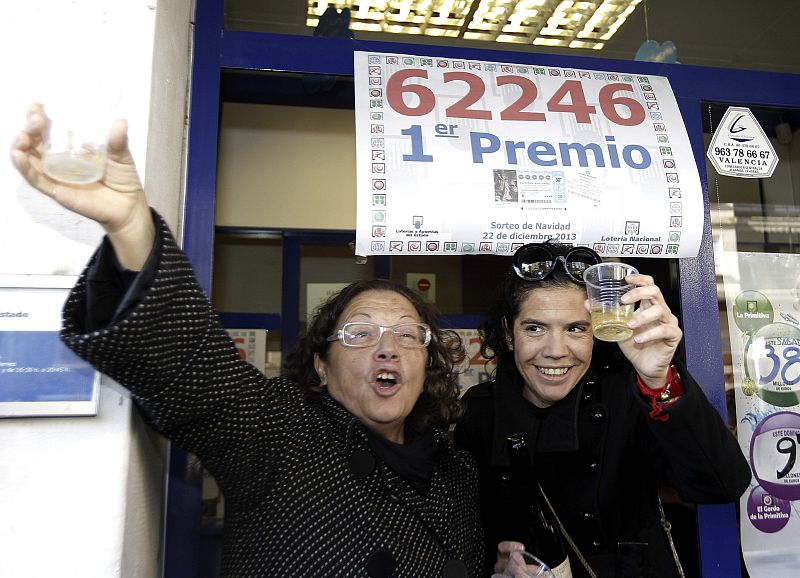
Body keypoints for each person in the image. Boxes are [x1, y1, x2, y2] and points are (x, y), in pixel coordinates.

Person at [10, 103, 484, 578]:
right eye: (359, 333)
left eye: (407, 334)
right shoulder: (281, 433)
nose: (387, 348)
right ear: (321, 365)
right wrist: (132, 230)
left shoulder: (456, 471)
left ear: (426, 365)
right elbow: (201, 377)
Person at [453, 242, 752, 577]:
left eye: (576, 329)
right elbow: (466, 540)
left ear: (597, 331)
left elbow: (721, 485)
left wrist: (658, 381)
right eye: (534, 328)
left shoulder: (626, 394)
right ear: (509, 334)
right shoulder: (479, 415)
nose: (555, 351)